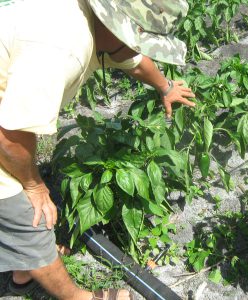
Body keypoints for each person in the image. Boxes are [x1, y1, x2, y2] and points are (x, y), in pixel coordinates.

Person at [0, 0, 195, 299]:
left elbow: (133, 61)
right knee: (29, 216)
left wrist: (166, 87)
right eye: (140, 37)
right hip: (5, 130)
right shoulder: (63, 48)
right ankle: (78, 296)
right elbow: (9, 135)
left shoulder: (90, 21)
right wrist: (32, 184)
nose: (139, 46)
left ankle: (23, 273)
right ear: (119, 26)